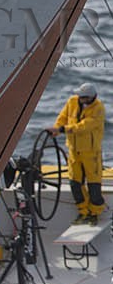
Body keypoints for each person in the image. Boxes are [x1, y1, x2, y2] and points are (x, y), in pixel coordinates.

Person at [53, 82, 105, 224]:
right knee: (75, 182)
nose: (79, 98)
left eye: (82, 97)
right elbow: (63, 117)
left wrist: (64, 130)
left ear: (90, 98)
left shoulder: (98, 109)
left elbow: (84, 127)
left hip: (90, 152)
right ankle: (83, 212)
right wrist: (57, 128)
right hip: (73, 150)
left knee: (94, 183)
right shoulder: (72, 101)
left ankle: (95, 212)